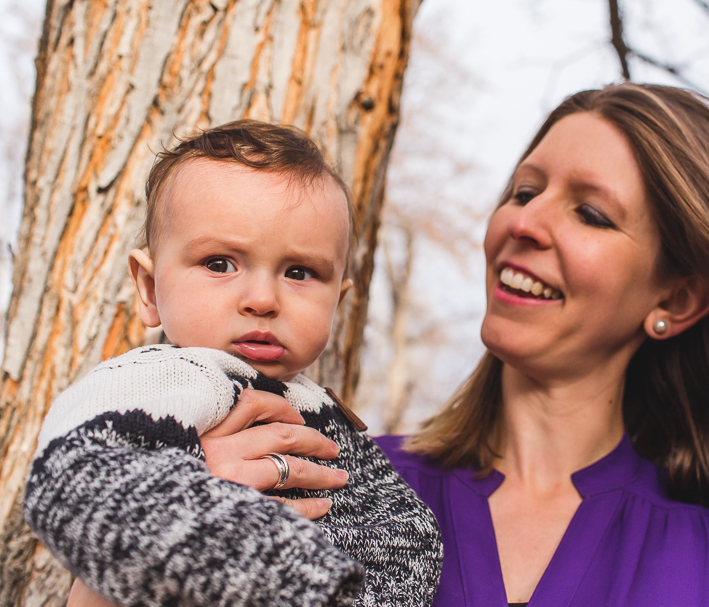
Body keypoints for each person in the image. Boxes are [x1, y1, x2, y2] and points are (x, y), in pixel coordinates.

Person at [114, 83, 709, 605]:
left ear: (677, 297)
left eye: (590, 214)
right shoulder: (332, 478)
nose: (523, 222)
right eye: (525, 191)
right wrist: (172, 507)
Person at [25, 120, 442, 607]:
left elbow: (406, 542)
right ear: (149, 288)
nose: (262, 299)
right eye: (220, 263)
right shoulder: (158, 380)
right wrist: (294, 577)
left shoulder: (327, 415)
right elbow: (73, 480)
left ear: (338, 300)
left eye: (299, 272)